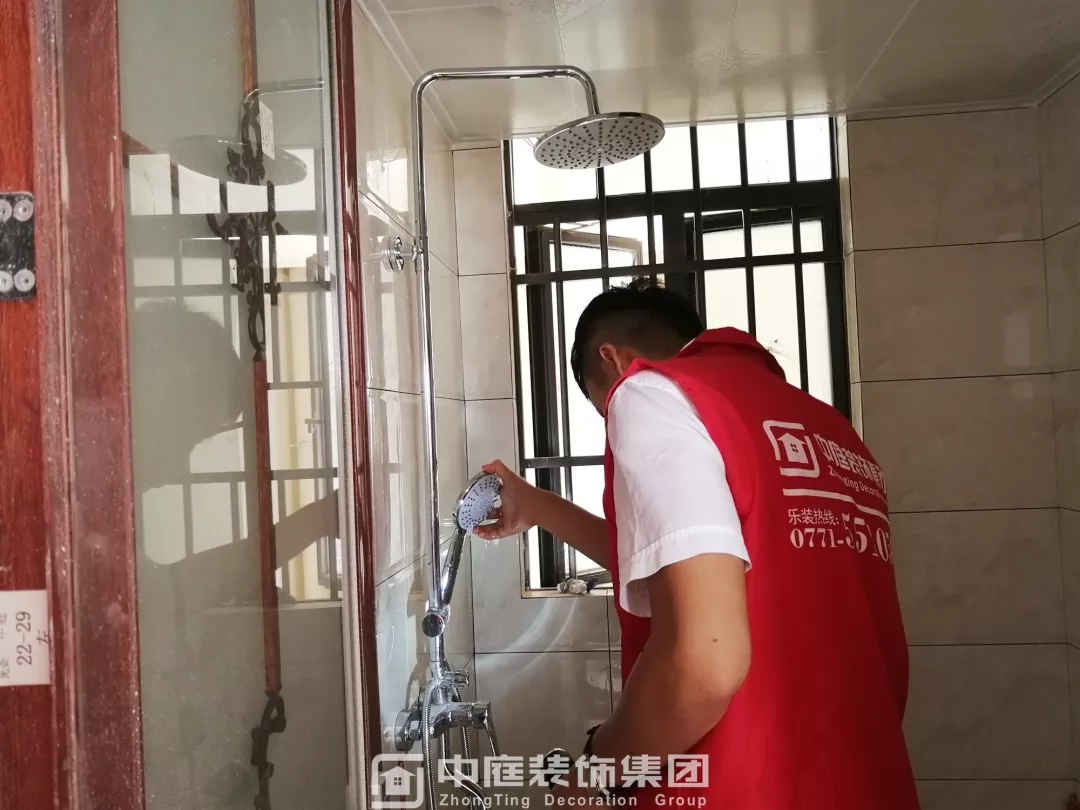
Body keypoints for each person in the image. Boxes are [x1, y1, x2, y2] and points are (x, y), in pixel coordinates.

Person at [477, 279, 918, 809]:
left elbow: (706, 663)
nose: (613, 417)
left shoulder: (649, 393)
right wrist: (539, 506)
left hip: (742, 785)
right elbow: (692, 566)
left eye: (602, 407)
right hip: (862, 779)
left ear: (613, 360)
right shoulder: (827, 428)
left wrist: (596, 771)